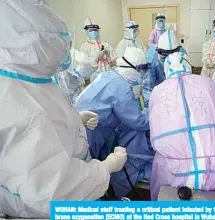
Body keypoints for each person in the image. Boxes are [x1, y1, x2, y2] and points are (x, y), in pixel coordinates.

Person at [0, 1, 127, 218]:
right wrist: (105, 168)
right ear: (40, 45)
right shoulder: (14, 94)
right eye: (61, 44)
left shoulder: (32, 78)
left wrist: (76, 119)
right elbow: (50, 191)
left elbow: (46, 124)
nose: (65, 53)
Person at [149, 52, 215, 201]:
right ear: (188, 66)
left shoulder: (158, 91)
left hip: (175, 171)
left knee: (169, 203)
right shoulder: (208, 83)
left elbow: (156, 129)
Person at [76, 47, 154, 198]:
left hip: (81, 122)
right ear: (133, 69)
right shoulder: (122, 88)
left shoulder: (109, 75)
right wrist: (154, 117)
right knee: (89, 172)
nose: (141, 75)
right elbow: (138, 121)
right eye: (140, 70)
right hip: (91, 130)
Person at [143, 30, 186, 108]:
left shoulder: (182, 54)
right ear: (158, 51)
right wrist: (150, 108)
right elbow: (148, 87)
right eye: (164, 58)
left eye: (172, 56)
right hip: (159, 88)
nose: (168, 61)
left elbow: (186, 78)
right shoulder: (151, 59)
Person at [80, 18, 117, 82]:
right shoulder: (84, 47)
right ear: (86, 32)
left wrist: (109, 56)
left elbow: (114, 64)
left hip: (108, 74)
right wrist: (96, 57)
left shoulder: (105, 45)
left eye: (95, 30)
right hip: (95, 76)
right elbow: (86, 66)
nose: (94, 32)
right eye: (91, 30)